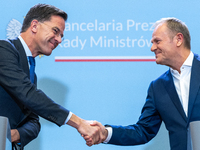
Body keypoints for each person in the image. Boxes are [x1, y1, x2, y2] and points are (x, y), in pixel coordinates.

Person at [84, 17, 200, 150]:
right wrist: (105, 133)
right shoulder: (158, 87)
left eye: (157, 41)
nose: (152, 48)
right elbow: (143, 131)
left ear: (178, 39)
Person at [0, 4, 100, 150]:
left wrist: (14, 134)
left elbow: (33, 121)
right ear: (34, 26)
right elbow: (28, 94)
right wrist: (78, 123)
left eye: (61, 36)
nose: (59, 40)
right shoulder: (4, 50)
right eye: (55, 31)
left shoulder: (31, 73)